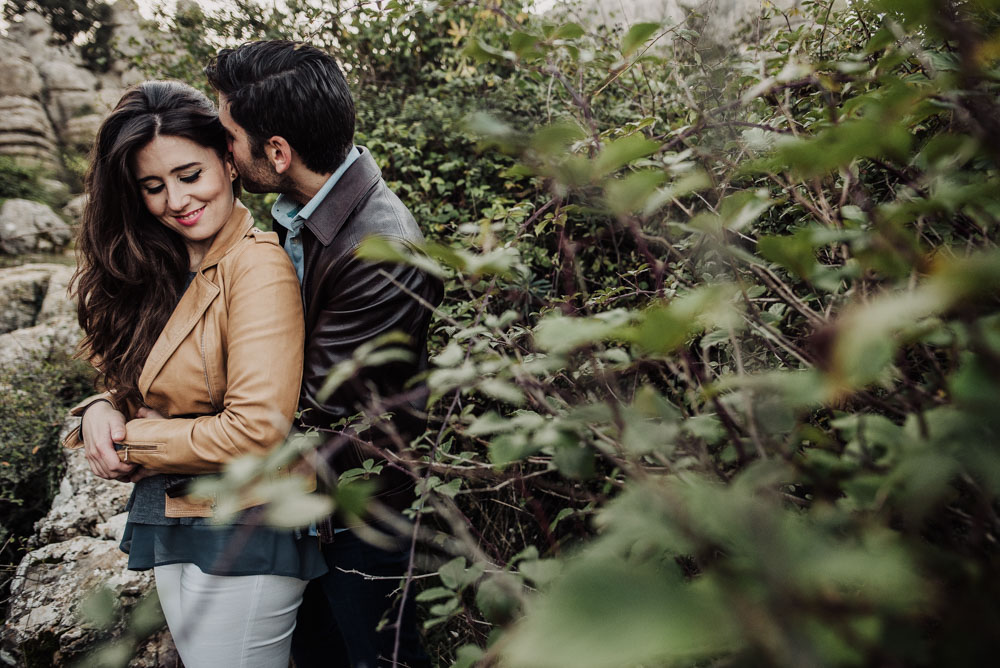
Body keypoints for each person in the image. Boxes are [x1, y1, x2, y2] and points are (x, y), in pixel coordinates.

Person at [65, 80, 325, 667]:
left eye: (189, 175)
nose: (176, 200)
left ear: (229, 163)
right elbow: (152, 381)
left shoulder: (257, 265)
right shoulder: (164, 265)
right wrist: (102, 408)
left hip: (247, 523)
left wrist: (133, 439)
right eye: (153, 186)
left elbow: (256, 429)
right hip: (174, 510)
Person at [205, 41, 442, 668]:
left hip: (360, 518)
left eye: (227, 135)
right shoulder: (304, 214)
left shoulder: (381, 253)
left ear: (277, 151)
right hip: (310, 502)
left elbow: (307, 405)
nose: (220, 150)